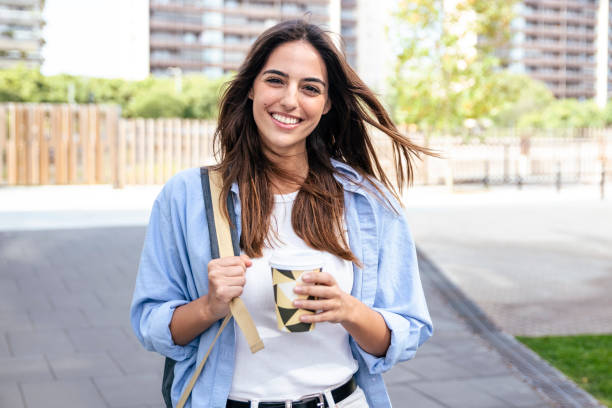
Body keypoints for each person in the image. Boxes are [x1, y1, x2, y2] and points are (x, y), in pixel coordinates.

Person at [130, 19, 433, 408]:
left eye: (310, 88)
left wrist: (349, 310)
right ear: (252, 88)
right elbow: (151, 324)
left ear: (326, 105)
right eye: (276, 80)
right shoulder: (186, 196)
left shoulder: (366, 202)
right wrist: (209, 307)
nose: (291, 100)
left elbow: (405, 334)